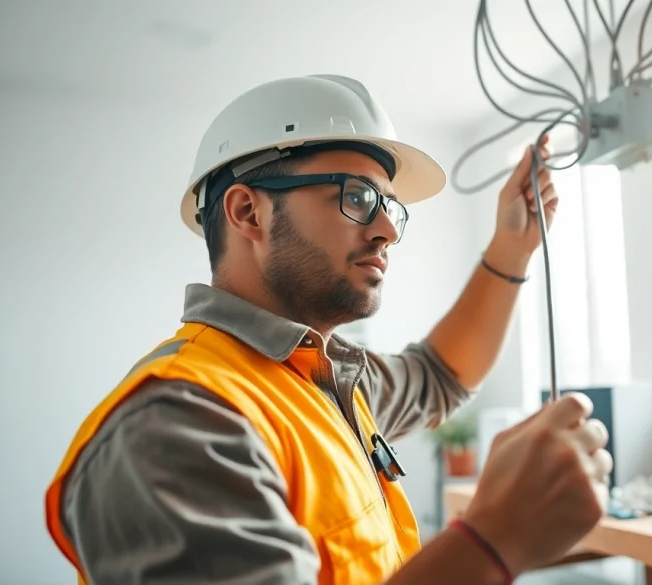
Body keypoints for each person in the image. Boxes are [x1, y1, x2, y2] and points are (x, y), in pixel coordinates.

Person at [44, 75, 612, 585]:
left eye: (390, 206)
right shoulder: (178, 426)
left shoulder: (328, 383)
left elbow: (440, 374)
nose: (388, 229)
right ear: (247, 213)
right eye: (358, 196)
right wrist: (491, 542)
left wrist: (512, 246)